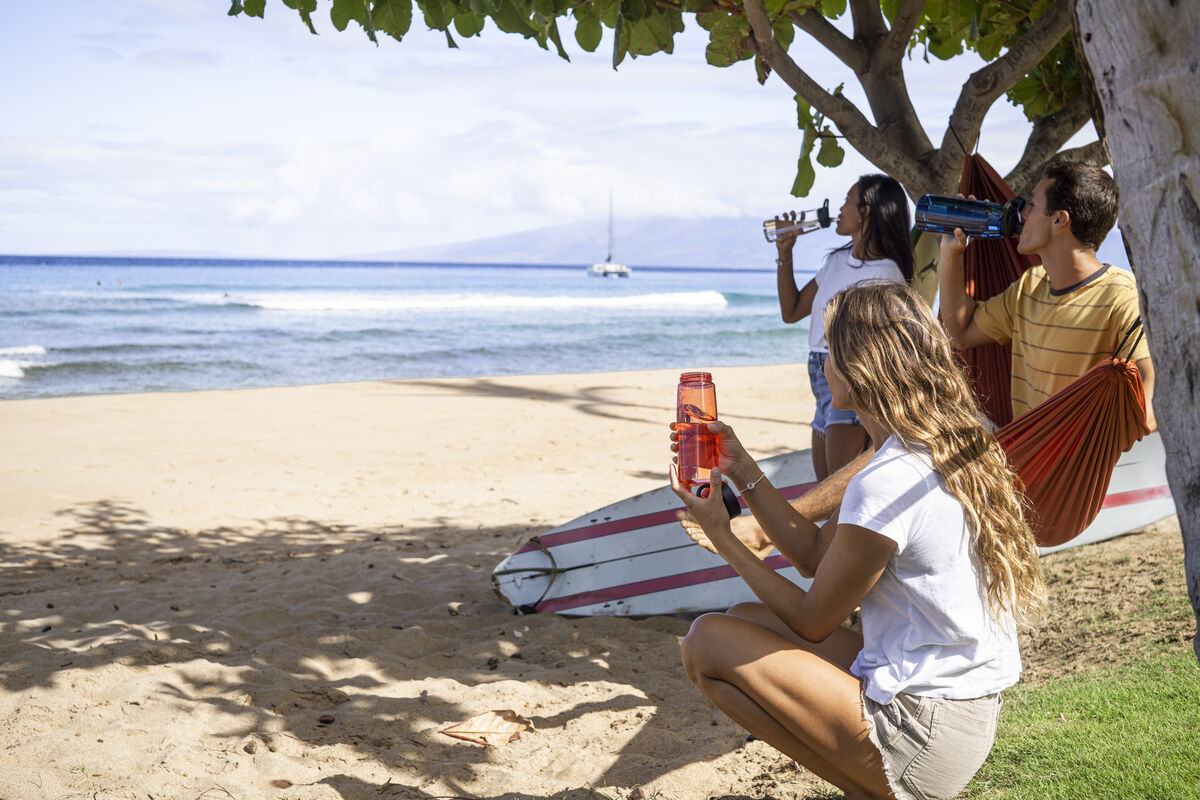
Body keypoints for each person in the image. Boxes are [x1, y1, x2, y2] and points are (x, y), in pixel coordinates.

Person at [669, 281, 1045, 800]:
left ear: (858, 365)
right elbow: (814, 558)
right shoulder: (950, 437)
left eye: (829, 349)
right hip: (960, 704)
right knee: (743, 621)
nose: (822, 362)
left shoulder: (888, 478)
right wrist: (740, 466)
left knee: (707, 641)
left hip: (925, 730)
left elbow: (812, 622)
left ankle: (876, 789)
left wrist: (723, 537)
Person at [938, 160, 1155, 429]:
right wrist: (952, 251)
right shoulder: (1030, 286)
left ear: (1059, 219)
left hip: (1082, 466)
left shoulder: (1121, 297)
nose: (1023, 215)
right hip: (1027, 461)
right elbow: (959, 332)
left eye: (1032, 205)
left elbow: (1150, 401)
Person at [774, 174, 914, 481]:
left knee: (836, 490)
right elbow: (792, 311)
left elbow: (891, 346)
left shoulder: (886, 273)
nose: (839, 209)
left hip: (849, 377)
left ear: (866, 212)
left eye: (847, 201)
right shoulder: (836, 261)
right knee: (826, 487)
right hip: (819, 376)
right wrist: (785, 255)